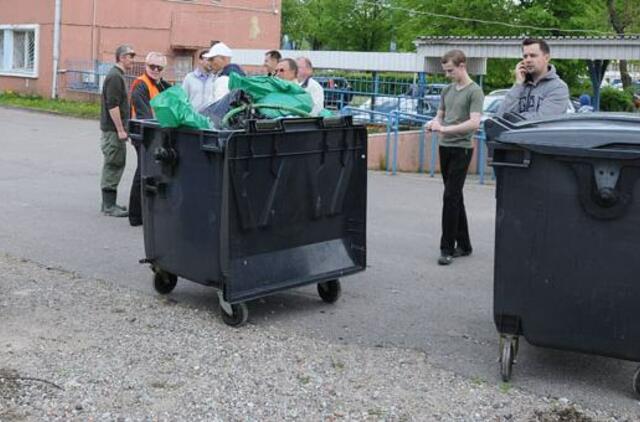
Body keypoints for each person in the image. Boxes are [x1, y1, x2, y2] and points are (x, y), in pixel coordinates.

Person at [426, 49, 484, 266]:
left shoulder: (475, 91)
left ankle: (447, 247)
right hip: (445, 147)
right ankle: (465, 244)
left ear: (462, 66)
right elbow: (440, 115)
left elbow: (474, 123)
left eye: (450, 70)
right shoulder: (447, 90)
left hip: (462, 148)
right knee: (455, 196)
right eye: (445, 70)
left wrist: (445, 129)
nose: (447, 74)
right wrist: (433, 124)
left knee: (450, 197)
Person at [128, 52, 171, 227]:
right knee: (143, 172)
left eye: (159, 68)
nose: (155, 70)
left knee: (149, 172)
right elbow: (144, 114)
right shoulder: (141, 85)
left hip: (153, 134)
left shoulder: (160, 84)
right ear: (145, 66)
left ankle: (145, 213)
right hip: (143, 134)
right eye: (152, 66)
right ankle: (136, 215)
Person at [99, 44, 136, 218]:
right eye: (130, 56)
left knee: (117, 162)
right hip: (113, 131)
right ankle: (108, 206)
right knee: (113, 163)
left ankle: (110, 203)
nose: (132, 60)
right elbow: (112, 105)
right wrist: (120, 129)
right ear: (121, 57)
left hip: (115, 130)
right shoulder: (115, 77)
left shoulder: (118, 75)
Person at [497, 38, 569, 120]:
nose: (528, 60)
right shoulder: (520, 86)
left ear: (546, 58)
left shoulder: (558, 87)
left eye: (533, 56)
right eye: (525, 56)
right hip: (515, 133)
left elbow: (543, 121)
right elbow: (500, 117)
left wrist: (512, 118)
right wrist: (518, 84)